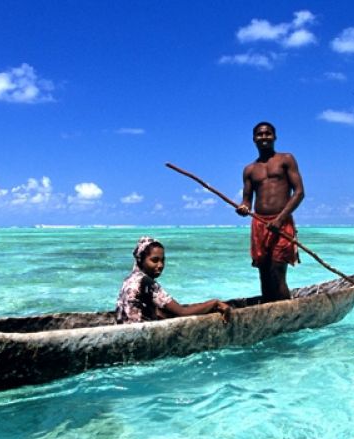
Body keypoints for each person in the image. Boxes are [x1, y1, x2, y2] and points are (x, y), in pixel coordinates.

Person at [235, 121, 305, 301]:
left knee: (277, 271)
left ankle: (286, 314)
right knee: (264, 272)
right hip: (259, 224)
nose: (263, 137)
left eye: (267, 134)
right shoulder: (249, 170)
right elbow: (247, 200)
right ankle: (269, 312)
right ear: (254, 139)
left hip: (281, 223)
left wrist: (281, 219)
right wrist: (243, 208)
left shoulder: (286, 159)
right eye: (259, 134)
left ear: (275, 137)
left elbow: (299, 193)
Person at [116, 236, 231, 324]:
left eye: (163, 260)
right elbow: (182, 312)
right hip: (139, 333)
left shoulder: (129, 279)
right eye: (154, 260)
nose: (160, 265)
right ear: (141, 260)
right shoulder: (147, 283)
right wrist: (214, 303)